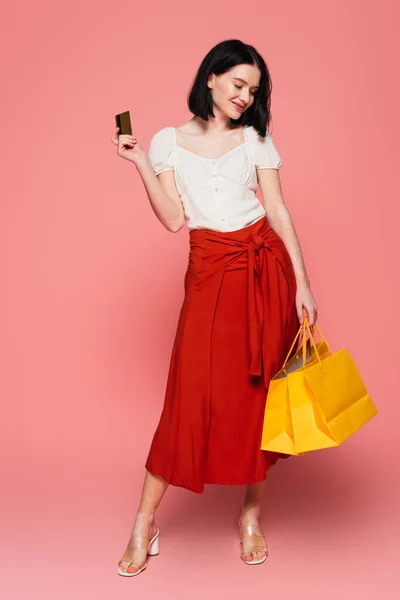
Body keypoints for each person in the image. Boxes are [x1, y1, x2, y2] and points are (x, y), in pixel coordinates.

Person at [111, 38, 318, 577]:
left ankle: (251, 514)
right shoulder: (166, 142)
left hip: (263, 269)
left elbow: (276, 208)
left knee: (259, 395)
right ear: (211, 77)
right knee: (189, 395)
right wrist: (138, 164)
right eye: (238, 84)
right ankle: (144, 523)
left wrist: (302, 282)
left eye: (253, 89)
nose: (245, 96)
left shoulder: (256, 139)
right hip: (208, 271)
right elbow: (174, 219)